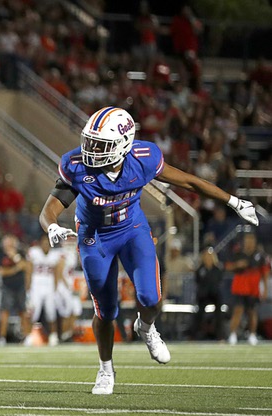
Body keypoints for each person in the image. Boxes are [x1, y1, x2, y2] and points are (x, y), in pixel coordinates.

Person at [39, 106, 259, 395]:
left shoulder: (143, 159)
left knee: (151, 298)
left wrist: (232, 201)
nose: (91, 149)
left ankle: (146, 327)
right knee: (106, 311)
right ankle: (106, 369)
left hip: (131, 230)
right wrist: (52, 226)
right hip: (94, 238)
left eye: (100, 144)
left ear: (124, 144)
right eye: (90, 141)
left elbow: (189, 181)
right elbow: (50, 209)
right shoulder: (77, 165)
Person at [226, 233, 269, 346]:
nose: (249, 242)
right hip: (240, 287)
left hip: (253, 289)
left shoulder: (260, 255)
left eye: (251, 239)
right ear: (244, 241)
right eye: (247, 239)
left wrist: (265, 289)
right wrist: (237, 265)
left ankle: (252, 335)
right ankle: (233, 335)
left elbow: (265, 273)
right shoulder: (238, 253)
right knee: (237, 311)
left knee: (252, 312)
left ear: (255, 241)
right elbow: (227, 266)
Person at [26, 234, 60, 346]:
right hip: (36, 285)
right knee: (33, 312)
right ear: (40, 243)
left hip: (49, 285)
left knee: (51, 312)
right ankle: (29, 335)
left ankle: (53, 336)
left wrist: (55, 288)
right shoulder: (34, 252)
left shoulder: (55, 254)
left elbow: (56, 272)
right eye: (44, 242)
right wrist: (28, 287)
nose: (46, 245)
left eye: (47, 242)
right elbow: (29, 270)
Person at [0, 234, 31, 346]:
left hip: (20, 286)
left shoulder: (19, 254)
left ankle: (27, 337)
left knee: (23, 312)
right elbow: (1, 272)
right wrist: (16, 268)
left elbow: (26, 266)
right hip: (7, 286)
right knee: (4, 312)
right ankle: (2, 338)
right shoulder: (1, 255)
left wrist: (14, 257)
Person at [193, 246, 224, 340]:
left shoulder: (217, 269)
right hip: (203, 295)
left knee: (219, 312)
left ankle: (220, 336)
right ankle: (194, 336)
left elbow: (218, 281)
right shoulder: (200, 269)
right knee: (198, 312)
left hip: (215, 295)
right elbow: (198, 281)